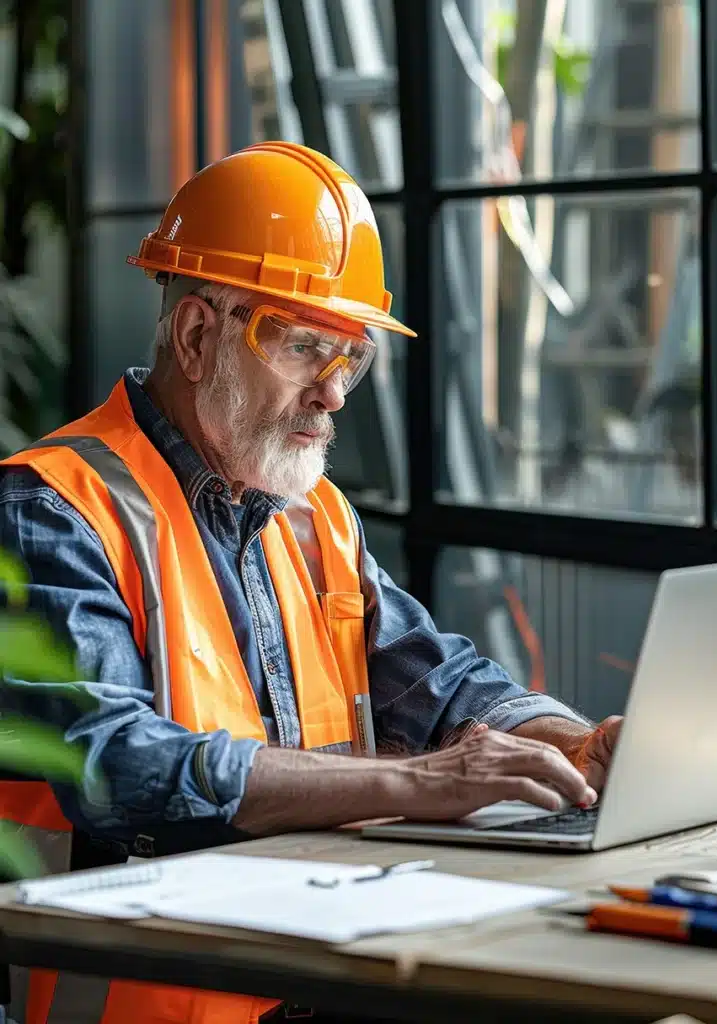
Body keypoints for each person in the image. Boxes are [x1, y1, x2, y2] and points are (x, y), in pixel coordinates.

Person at [0, 142, 622, 1023]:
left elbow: (433, 681)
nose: (332, 394)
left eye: (349, 358)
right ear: (195, 335)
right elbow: (115, 766)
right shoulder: (53, 506)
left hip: (316, 978)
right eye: (302, 347)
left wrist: (571, 742)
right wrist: (421, 783)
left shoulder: (314, 513)